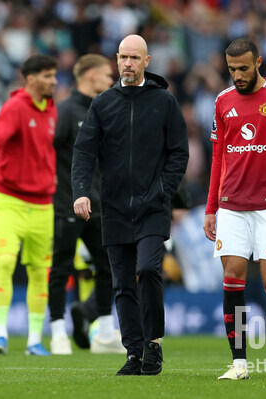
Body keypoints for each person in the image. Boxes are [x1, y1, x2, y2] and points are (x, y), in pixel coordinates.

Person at [72, 34, 189, 376]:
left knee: (150, 269)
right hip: (115, 207)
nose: (127, 63)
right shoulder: (103, 103)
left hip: (153, 206)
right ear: (116, 59)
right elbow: (83, 151)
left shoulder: (164, 102)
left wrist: (163, 191)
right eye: (122, 57)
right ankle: (133, 353)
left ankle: (153, 344)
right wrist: (81, 190)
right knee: (122, 282)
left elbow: (179, 152)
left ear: (147, 62)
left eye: (134, 58)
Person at [203, 38, 266, 380]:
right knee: (232, 276)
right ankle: (239, 363)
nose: (238, 75)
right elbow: (218, 157)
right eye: (232, 69)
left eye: (244, 68)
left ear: (258, 62)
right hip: (232, 205)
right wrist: (210, 208)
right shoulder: (222, 102)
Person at [0, 54, 58, 356]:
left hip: (42, 205)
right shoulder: (15, 107)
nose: (54, 81)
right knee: (6, 261)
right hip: (8, 200)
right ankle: (0, 335)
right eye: (49, 76)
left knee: (40, 272)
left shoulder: (51, 110)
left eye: (54, 75)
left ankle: (34, 340)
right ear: (31, 78)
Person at [48, 53, 124, 355]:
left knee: (110, 269)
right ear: (91, 76)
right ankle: (57, 333)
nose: (111, 80)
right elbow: (48, 155)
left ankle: (105, 334)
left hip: (99, 207)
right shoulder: (65, 111)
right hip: (66, 205)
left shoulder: (105, 110)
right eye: (107, 75)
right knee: (60, 268)